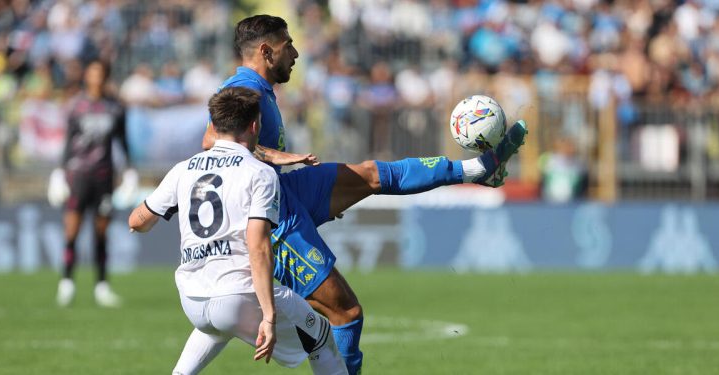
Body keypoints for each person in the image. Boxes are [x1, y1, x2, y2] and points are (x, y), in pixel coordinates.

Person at [201, 15, 528, 374]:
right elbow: (212, 143)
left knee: (372, 174)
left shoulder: (260, 88)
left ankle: (477, 170)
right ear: (266, 51)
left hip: (284, 188)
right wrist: (279, 156)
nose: (295, 53)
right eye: (287, 45)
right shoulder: (244, 87)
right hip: (270, 212)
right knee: (345, 313)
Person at [128, 87, 347, 375]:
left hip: (192, 299)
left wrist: (155, 212)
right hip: (239, 296)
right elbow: (258, 247)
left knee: (216, 327)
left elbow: (137, 221)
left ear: (214, 125)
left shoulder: (184, 169)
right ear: (255, 125)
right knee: (319, 337)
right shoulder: (259, 173)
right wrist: (269, 316)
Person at [48, 60, 137, 308]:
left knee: (101, 234)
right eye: (92, 72)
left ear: (105, 76)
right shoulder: (76, 106)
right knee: (72, 231)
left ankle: (102, 286)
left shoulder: (115, 108)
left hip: (103, 177)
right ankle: (66, 282)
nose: (96, 77)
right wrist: (59, 172)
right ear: (87, 76)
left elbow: (123, 141)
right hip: (78, 175)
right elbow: (68, 142)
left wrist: (129, 171)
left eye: (100, 72)